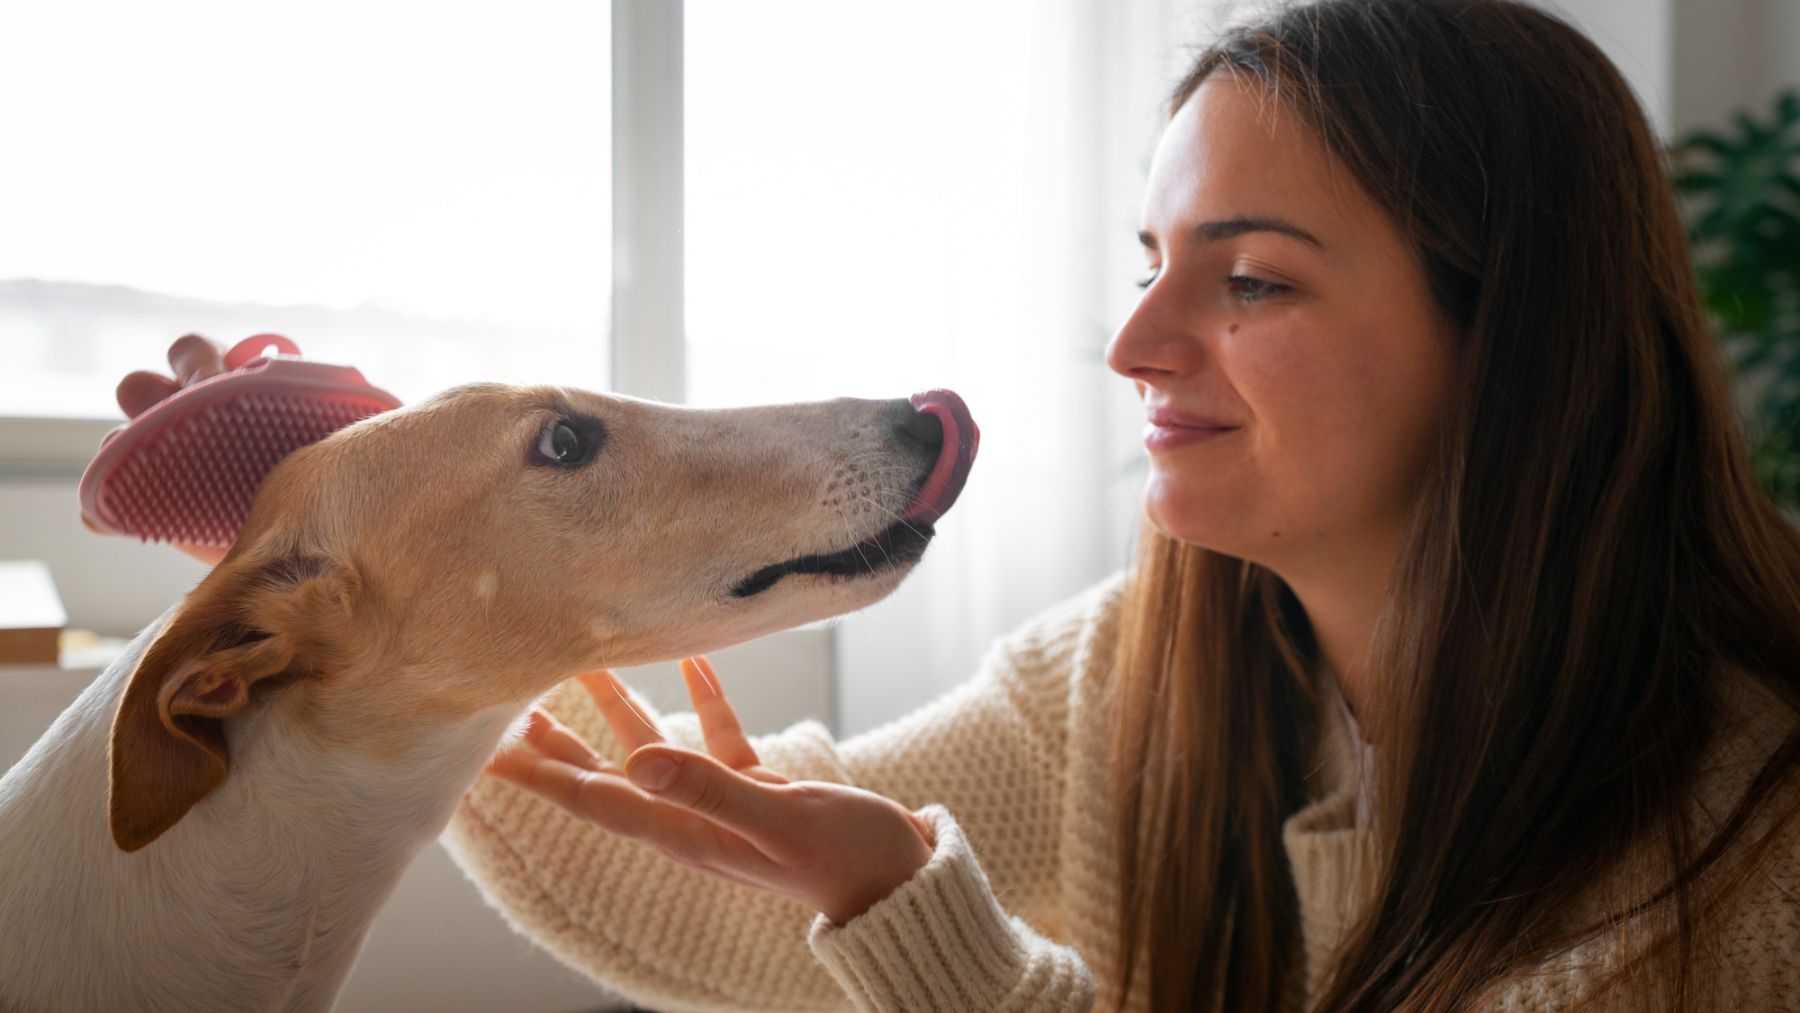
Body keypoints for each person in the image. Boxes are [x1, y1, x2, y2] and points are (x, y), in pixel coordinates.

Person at [119, 0, 1799, 1009]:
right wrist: (346, 556)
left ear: (1512, 331)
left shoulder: (1750, 849)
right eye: (1148, 264)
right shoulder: (1144, 667)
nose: (1136, 341)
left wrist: (923, 934)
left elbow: (866, 889)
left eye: (1254, 282)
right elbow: (735, 868)